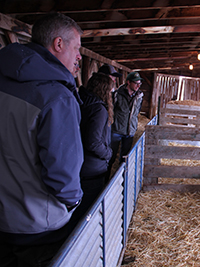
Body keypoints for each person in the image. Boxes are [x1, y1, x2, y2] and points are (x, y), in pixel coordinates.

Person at [0, 13, 83, 267]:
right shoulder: (56, 97)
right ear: (59, 44)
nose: (79, 57)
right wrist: (74, 201)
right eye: (77, 48)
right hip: (38, 224)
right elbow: (62, 172)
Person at [68, 72, 114, 229]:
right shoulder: (99, 110)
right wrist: (108, 154)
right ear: (105, 90)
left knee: (76, 208)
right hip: (93, 168)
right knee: (87, 211)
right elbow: (93, 142)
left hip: (76, 163)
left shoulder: (80, 101)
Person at [108, 71, 144, 176]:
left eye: (139, 83)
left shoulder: (139, 96)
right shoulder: (117, 94)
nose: (138, 86)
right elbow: (111, 110)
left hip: (130, 131)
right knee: (111, 156)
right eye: (135, 83)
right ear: (128, 82)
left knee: (125, 158)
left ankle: (121, 180)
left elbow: (136, 113)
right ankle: (106, 180)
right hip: (116, 130)